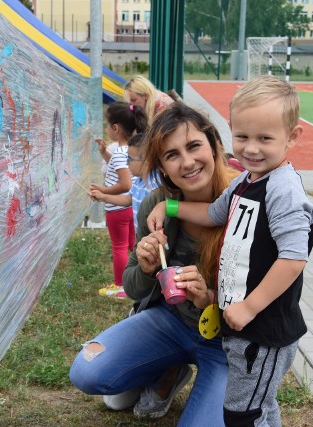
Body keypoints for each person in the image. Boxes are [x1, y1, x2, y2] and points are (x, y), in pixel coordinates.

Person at [147, 75, 313, 425]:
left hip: (263, 330)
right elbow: (213, 213)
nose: (251, 149)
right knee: (257, 407)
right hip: (241, 326)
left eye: (265, 138)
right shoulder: (246, 181)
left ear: (293, 136)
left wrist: (250, 306)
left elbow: (294, 257)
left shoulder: (283, 190)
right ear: (229, 133)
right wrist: (170, 208)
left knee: (244, 414)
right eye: (242, 137)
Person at [70, 103, 240, 425]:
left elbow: (263, 297)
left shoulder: (244, 202)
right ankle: (168, 369)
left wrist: (209, 298)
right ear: (162, 165)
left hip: (223, 342)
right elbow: (133, 286)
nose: (187, 162)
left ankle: (172, 372)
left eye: (193, 146)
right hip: (170, 323)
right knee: (87, 372)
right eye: (172, 155)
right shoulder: (156, 203)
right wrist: (147, 268)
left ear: (214, 145)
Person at [91, 102, 148, 299]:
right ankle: (138, 278)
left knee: (119, 247)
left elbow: (124, 183)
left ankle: (120, 286)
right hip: (131, 207)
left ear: (115, 128)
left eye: (108, 126)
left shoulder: (119, 155)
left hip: (117, 208)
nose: (107, 130)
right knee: (132, 245)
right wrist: (104, 152)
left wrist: (103, 191)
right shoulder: (130, 152)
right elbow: (120, 171)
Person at [90, 132, 158, 232]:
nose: (126, 162)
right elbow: (128, 199)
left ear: (146, 160)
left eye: (129, 159)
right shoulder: (138, 181)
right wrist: (103, 197)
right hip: (140, 238)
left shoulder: (157, 185)